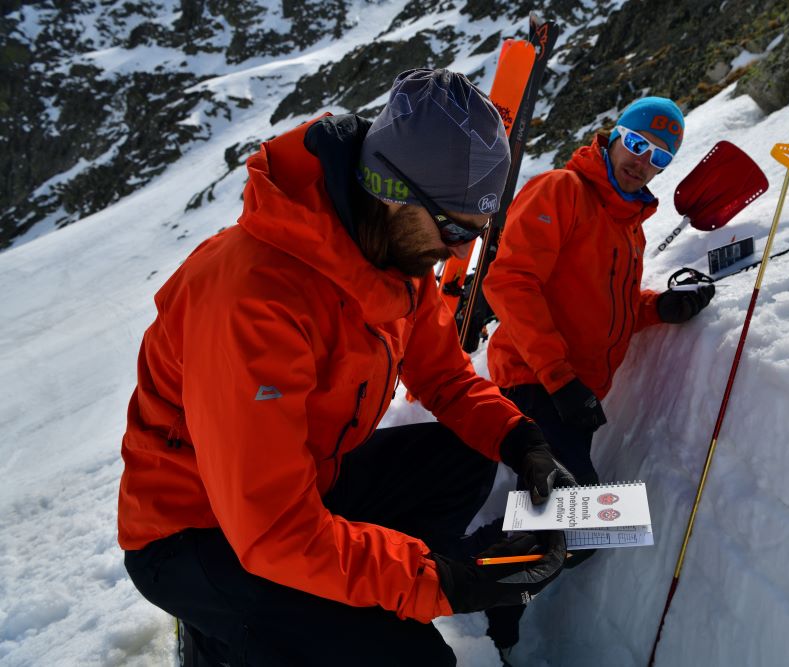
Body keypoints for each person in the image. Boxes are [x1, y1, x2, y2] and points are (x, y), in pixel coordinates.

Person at [117, 68, 576, 666]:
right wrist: (439, 582)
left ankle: (349, 603)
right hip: (198, 534)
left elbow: (443, 377)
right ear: (390, 191)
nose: (461, 254)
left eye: (476, 234)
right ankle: (233, 635)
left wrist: (524, 442)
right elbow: (273, 528)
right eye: (451, 229)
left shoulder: (395, 256)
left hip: (306, 485)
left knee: (464, 461)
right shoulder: (253, 298)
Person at [478, 96, 716, 654]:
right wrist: (559, 378)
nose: (641, 161)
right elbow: (507, 282)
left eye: (657, 156)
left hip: (574, 396)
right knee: (577, 519)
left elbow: (612, 308)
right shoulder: (562, 190)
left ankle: (496, 630)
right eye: (635, 145)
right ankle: (459, 576)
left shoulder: (628, 226)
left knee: (560, 517)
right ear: (612, 136)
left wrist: (662, 308)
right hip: (536, 383)